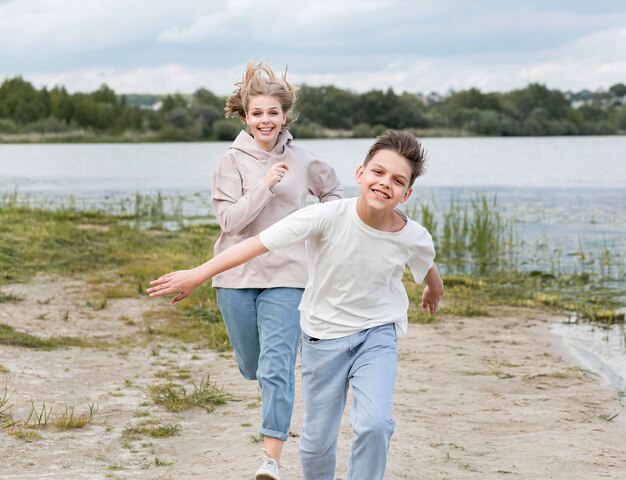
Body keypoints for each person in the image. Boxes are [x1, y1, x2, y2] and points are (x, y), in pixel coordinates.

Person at [147, 129, 444, 480]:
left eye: (397, 180)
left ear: (406, 193)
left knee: (374, 425)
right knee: (317, 442)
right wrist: (198, 273)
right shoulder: (326, 216)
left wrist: (433, 291)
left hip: (376, 336)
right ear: (360, 174)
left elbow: (426, 264)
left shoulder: (412, 235)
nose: (384, 184)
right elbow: (256, 244)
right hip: (322, 337)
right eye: (378, 172)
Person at [208, 62, 341, 479]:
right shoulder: (230, 162)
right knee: (254, 366)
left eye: (273, 113)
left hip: (289, 276)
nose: (266, 120)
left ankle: (271, 460)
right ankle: (261, 378)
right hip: (235, 276)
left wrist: (321, 228)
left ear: (285, 116)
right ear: (245, 117)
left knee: (277, 365)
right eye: (257, 114)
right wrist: (265, 186)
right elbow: (230, 223)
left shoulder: (305, 159)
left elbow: (334, 196)